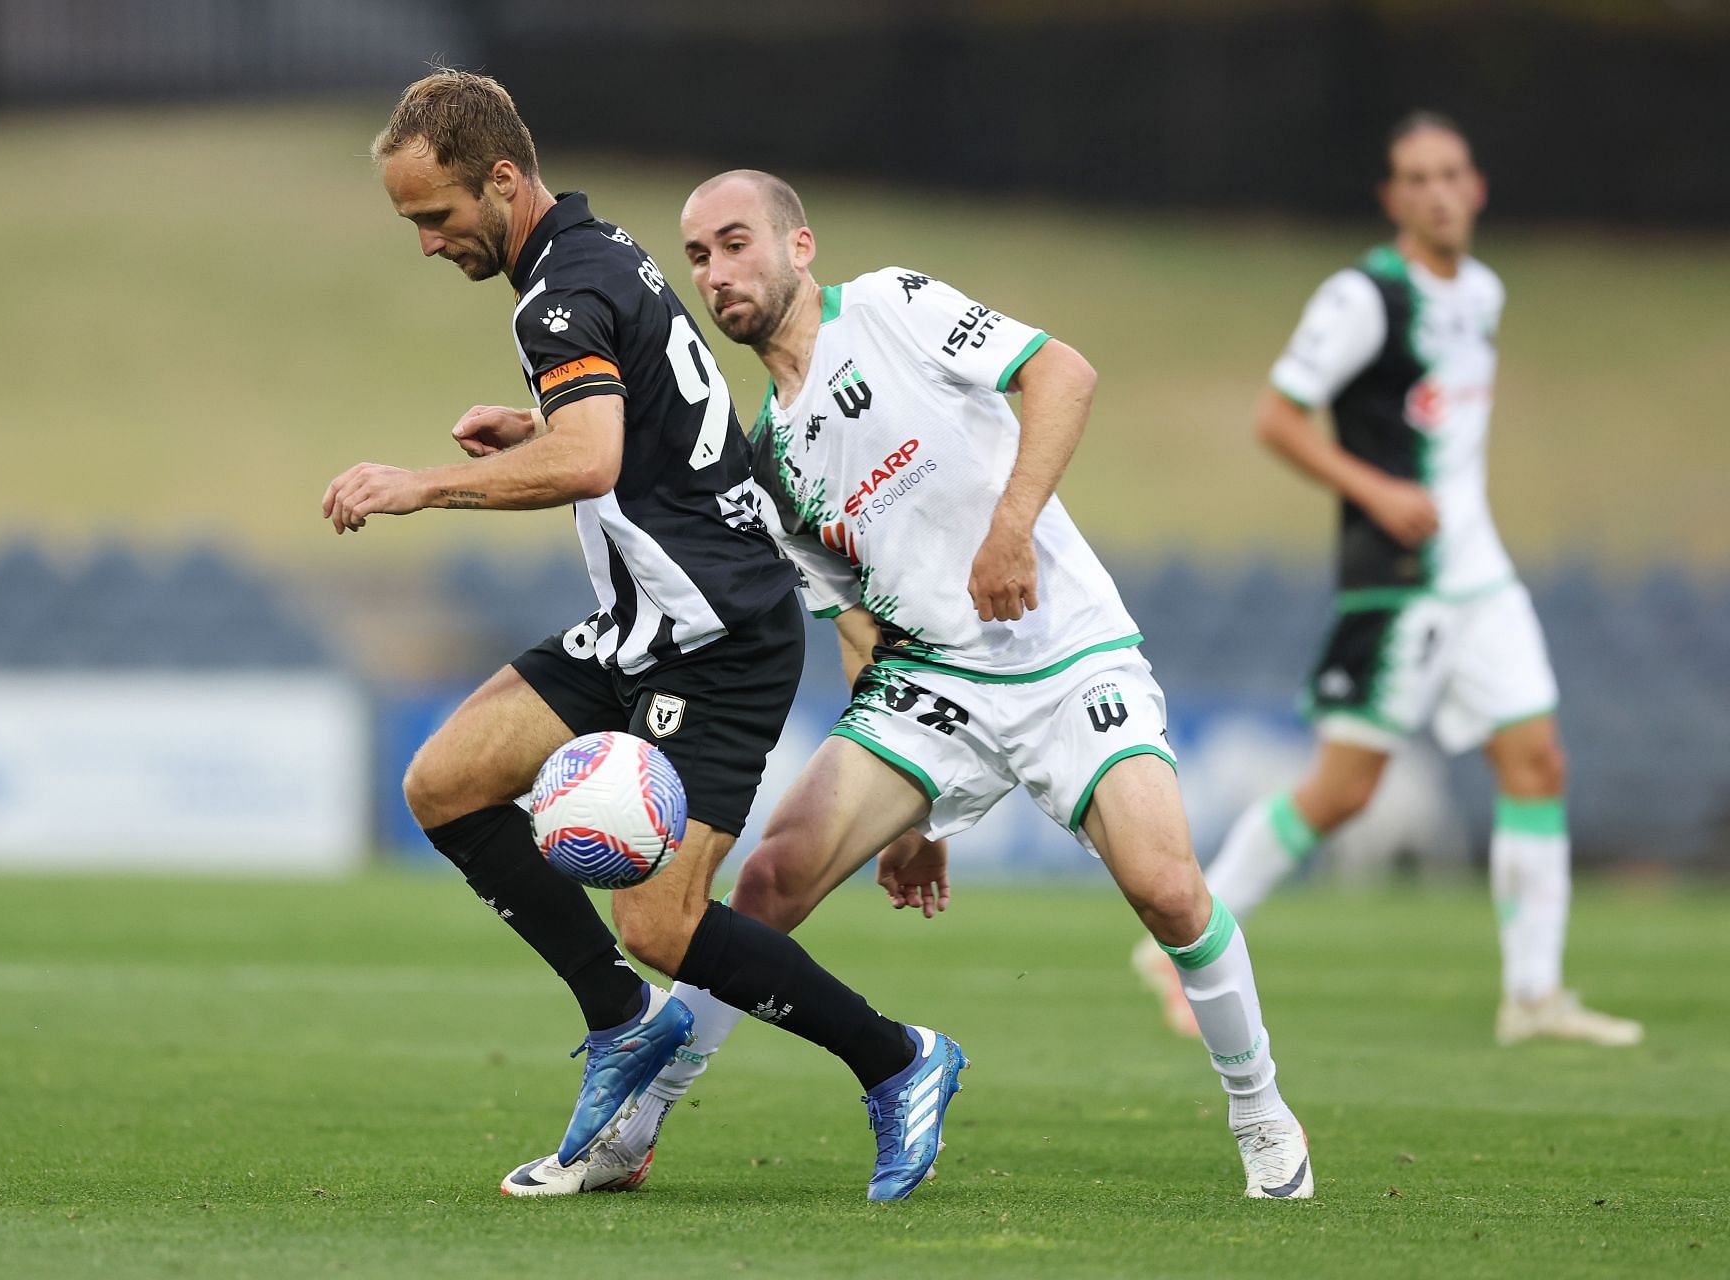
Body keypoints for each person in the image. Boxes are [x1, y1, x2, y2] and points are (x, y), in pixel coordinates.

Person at [508, 169, 1313, 1201]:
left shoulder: (888, 305)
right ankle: (641, 1122)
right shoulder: (768, 461)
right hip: (932, 681)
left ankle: (1258, 1108)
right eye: (699, 255)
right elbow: (858, 618)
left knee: (1165, 887)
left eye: (737, 241)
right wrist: (913, 808)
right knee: (767, 883)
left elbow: (1063, 372)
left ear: (799, 247)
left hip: (1064, 650)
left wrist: (1013, 523)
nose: (717, 271)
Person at [323, 71, 962, 1201]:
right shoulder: (598, 252)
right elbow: (667, 418)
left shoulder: (555, 299)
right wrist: (540, 420)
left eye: (435, 215)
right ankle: (622, 1025)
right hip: (641, 623)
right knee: (443, 784)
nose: (426, 242)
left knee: (660, 924)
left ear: (504, 181)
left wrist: (416, 485)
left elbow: (592, 460)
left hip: (718, 639)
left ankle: (900, 1057)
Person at [1135, 113, 1641, 1049]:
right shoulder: (1364, 296)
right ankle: (1179, 941)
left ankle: (1533, 995)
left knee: (1539, 764)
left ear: (1476, 185)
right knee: (1343, 790)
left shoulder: (1482, 292)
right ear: (1393, 198)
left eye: (1452, 173)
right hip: (1401, 584)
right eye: (1418, 178)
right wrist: (1378, 491)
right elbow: (1278, 417)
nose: (1439, 191)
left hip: (1480, 578)